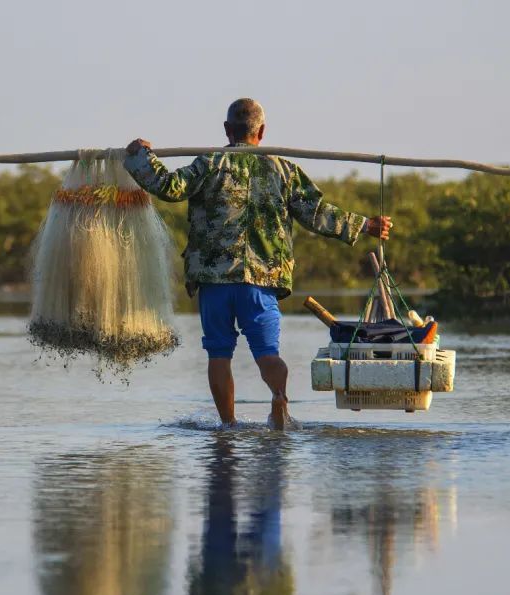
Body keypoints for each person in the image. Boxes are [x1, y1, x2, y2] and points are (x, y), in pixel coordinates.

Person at [124, 98, 391, 429]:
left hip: (215, 280)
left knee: (219, 354)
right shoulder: (284, 170)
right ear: (261, 131)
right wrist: (365, 225)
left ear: (226, 130)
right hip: (261, 283)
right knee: (268, 353)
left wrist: (140, 156)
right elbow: (317, 214)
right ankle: (279, 397)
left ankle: (228, 425)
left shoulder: (209, 164)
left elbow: (169, 186)